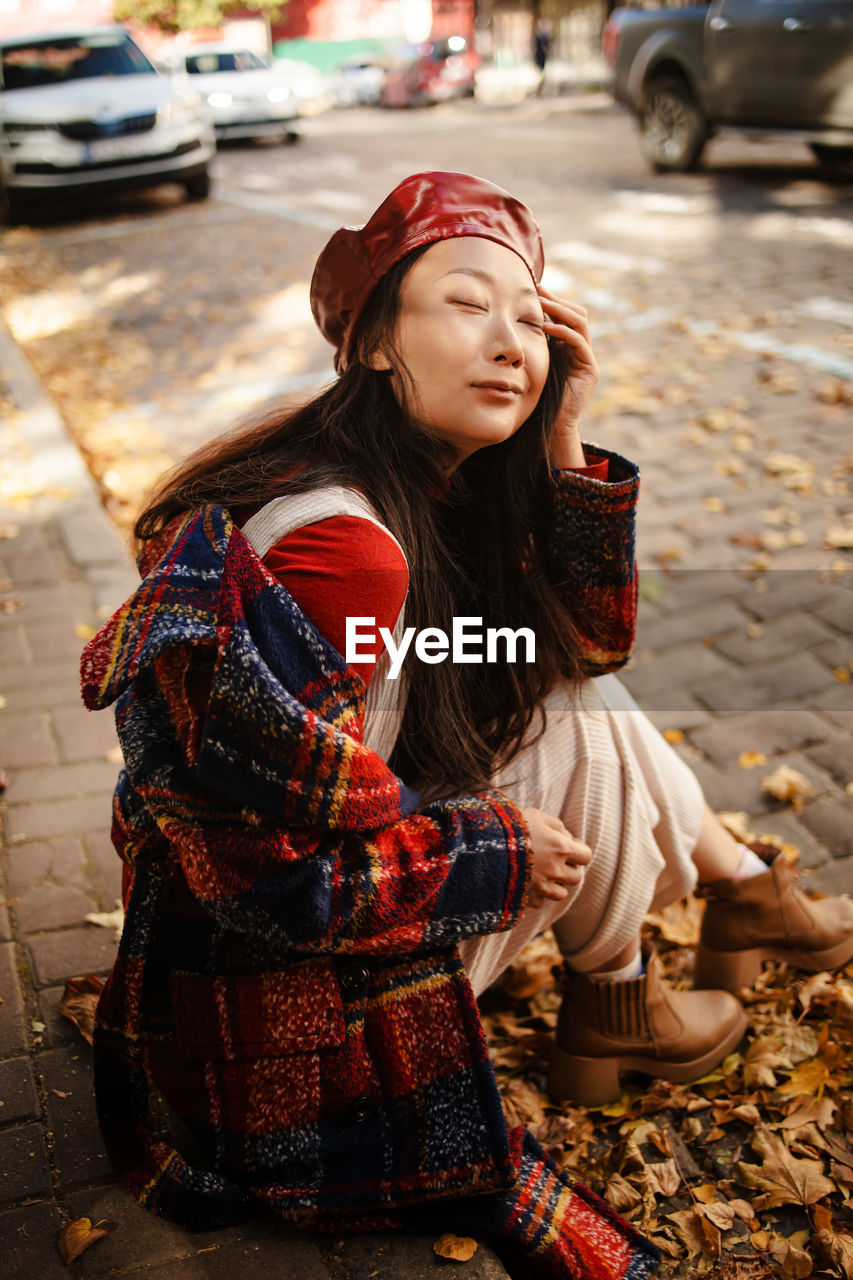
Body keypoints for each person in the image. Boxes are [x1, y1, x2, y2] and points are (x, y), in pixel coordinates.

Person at [80, 171, 853, 1279]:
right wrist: (485, 858)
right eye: (466, 303)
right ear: (378, 343)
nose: (512, 341)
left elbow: (580, 650)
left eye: (533, 318)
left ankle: (718, 907)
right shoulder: (345, 548)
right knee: (575, 721)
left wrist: (563, 432)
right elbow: (257, 885)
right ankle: (631, 984)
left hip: (257, 976)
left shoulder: (412, 483)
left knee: (554, 683)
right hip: (283, 1039)